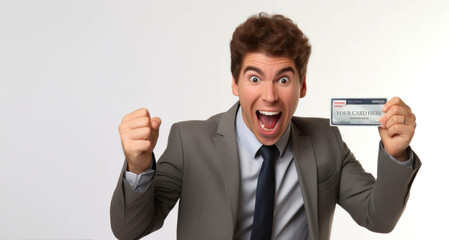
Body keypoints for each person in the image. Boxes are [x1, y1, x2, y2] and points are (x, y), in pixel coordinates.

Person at [110, 13, 421, 240]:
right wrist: (138, 166)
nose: (270, 96)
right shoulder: (189, 141)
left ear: (302, 87)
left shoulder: (326, 140)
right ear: (235, 83)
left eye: (283, 80)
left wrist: (396, 153)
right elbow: (130, 229)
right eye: (254, 78)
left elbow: (378, 218)